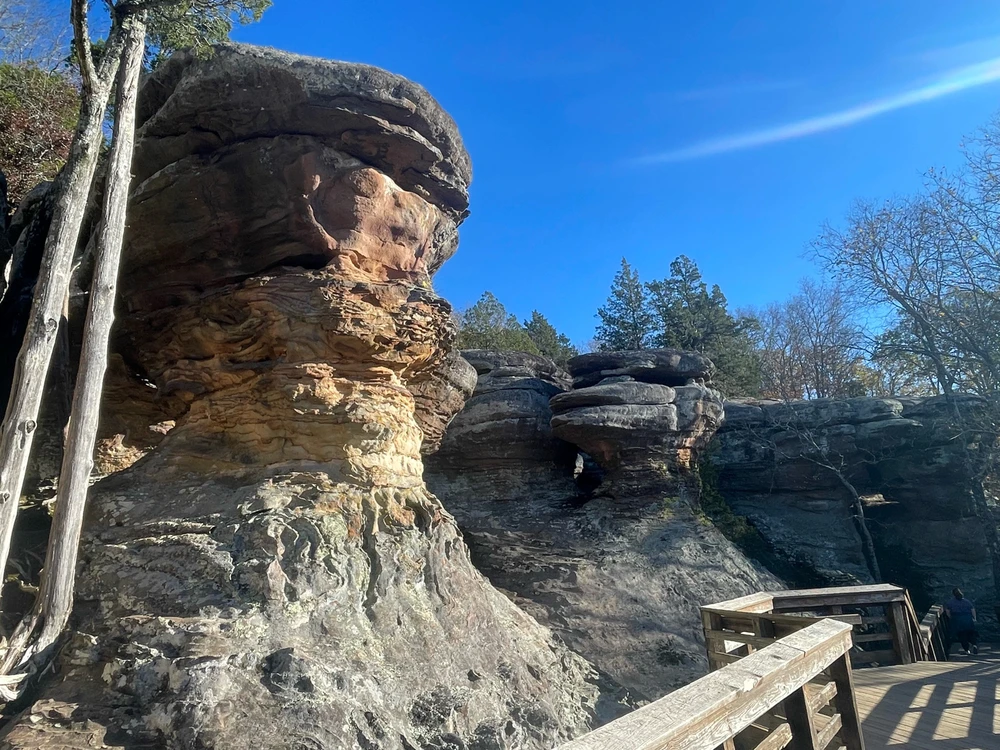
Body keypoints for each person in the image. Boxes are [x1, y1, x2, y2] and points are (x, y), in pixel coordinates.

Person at [944, 588, 978, 655]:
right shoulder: (966, 601)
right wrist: (974, 618)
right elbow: (972, 609)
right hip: (967, 618)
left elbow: (947, 611)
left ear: (953, 594)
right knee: (970, 632)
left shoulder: (951, 602)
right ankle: (974, 645)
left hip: (957, 619)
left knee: (962, 635)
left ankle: (967, 650)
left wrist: (951, 618)